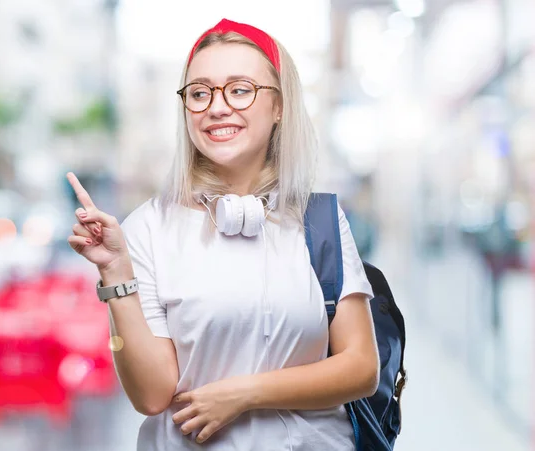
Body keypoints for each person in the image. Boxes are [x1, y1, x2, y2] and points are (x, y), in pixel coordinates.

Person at [67, 18, 379, 451]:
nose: (216, 107)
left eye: (240, 89)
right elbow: (152, 395)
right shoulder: (148, 228)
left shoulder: (319, 220)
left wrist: (243, 394)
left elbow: (362, 368)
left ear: (279, 106)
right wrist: (115, 272)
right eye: (199, 93)